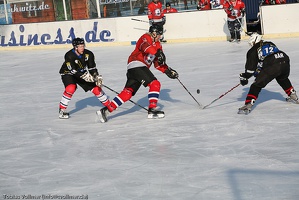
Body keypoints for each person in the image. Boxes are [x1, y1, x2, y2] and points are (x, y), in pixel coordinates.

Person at [96, 25, 179, 123]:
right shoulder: (145, 37)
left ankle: (105, 111)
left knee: (128, 92)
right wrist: (157, 53)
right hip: (136, 65)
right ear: (154, 33)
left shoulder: (158, 46)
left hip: (136, 69)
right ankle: (152, 110)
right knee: (155, 84)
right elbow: (146, 47)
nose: (160, 37)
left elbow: (157, 64)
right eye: (159, 34)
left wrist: (168, 71)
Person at [238, 33, 299, 114]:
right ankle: (293, 96)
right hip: (284, 59)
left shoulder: (252, 51)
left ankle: (248, 105)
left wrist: (245, 77)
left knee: (256, 85)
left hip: (273, 64)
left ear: (254, 41)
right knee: (282, 78)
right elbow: (267, 58)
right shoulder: (270, 43)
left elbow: (250, 69)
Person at [58, 38, 110, 119]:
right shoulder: (69, 55)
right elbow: (73, 70)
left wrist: (96, 76)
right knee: (71, 88)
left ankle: (110, 106)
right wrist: (85, 76)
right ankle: (62, 110)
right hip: (67, 73)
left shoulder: (88, 54)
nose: (82, 48)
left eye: (83, 46)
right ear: (75, 47)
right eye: (80, 46)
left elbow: (92, 68)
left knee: (96, 89)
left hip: (81, 73)